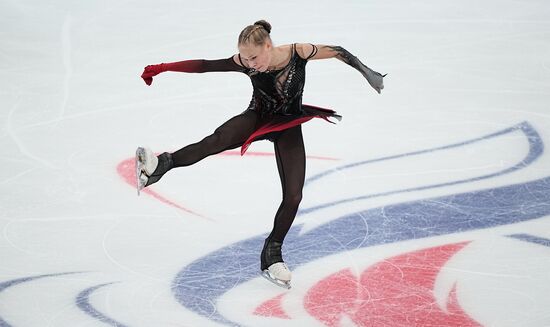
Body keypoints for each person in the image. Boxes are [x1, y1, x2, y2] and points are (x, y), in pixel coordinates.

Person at [137, 20, 385, 288]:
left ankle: (272, 253)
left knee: (294, 195)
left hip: (287, 125)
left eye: (254, 57)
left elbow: (337, 51)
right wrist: (162, 68)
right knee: (216, 140)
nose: (251, 64)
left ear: (268, 45)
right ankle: (160, 165)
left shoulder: (299, 53)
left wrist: (365, 70)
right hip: (257, 116)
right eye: (245, 59)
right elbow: (205, 65)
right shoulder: (246, 62)